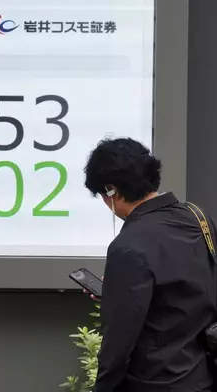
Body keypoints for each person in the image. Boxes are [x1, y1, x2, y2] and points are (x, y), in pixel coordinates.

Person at [83, 137, 217, 392]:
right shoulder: (198, 218)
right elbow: (184, 294)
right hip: (204, 377)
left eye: (101, 193)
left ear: (111, 190)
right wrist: (117, 292)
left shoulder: (129, 246)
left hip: (156, 382)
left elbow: (117, 345)